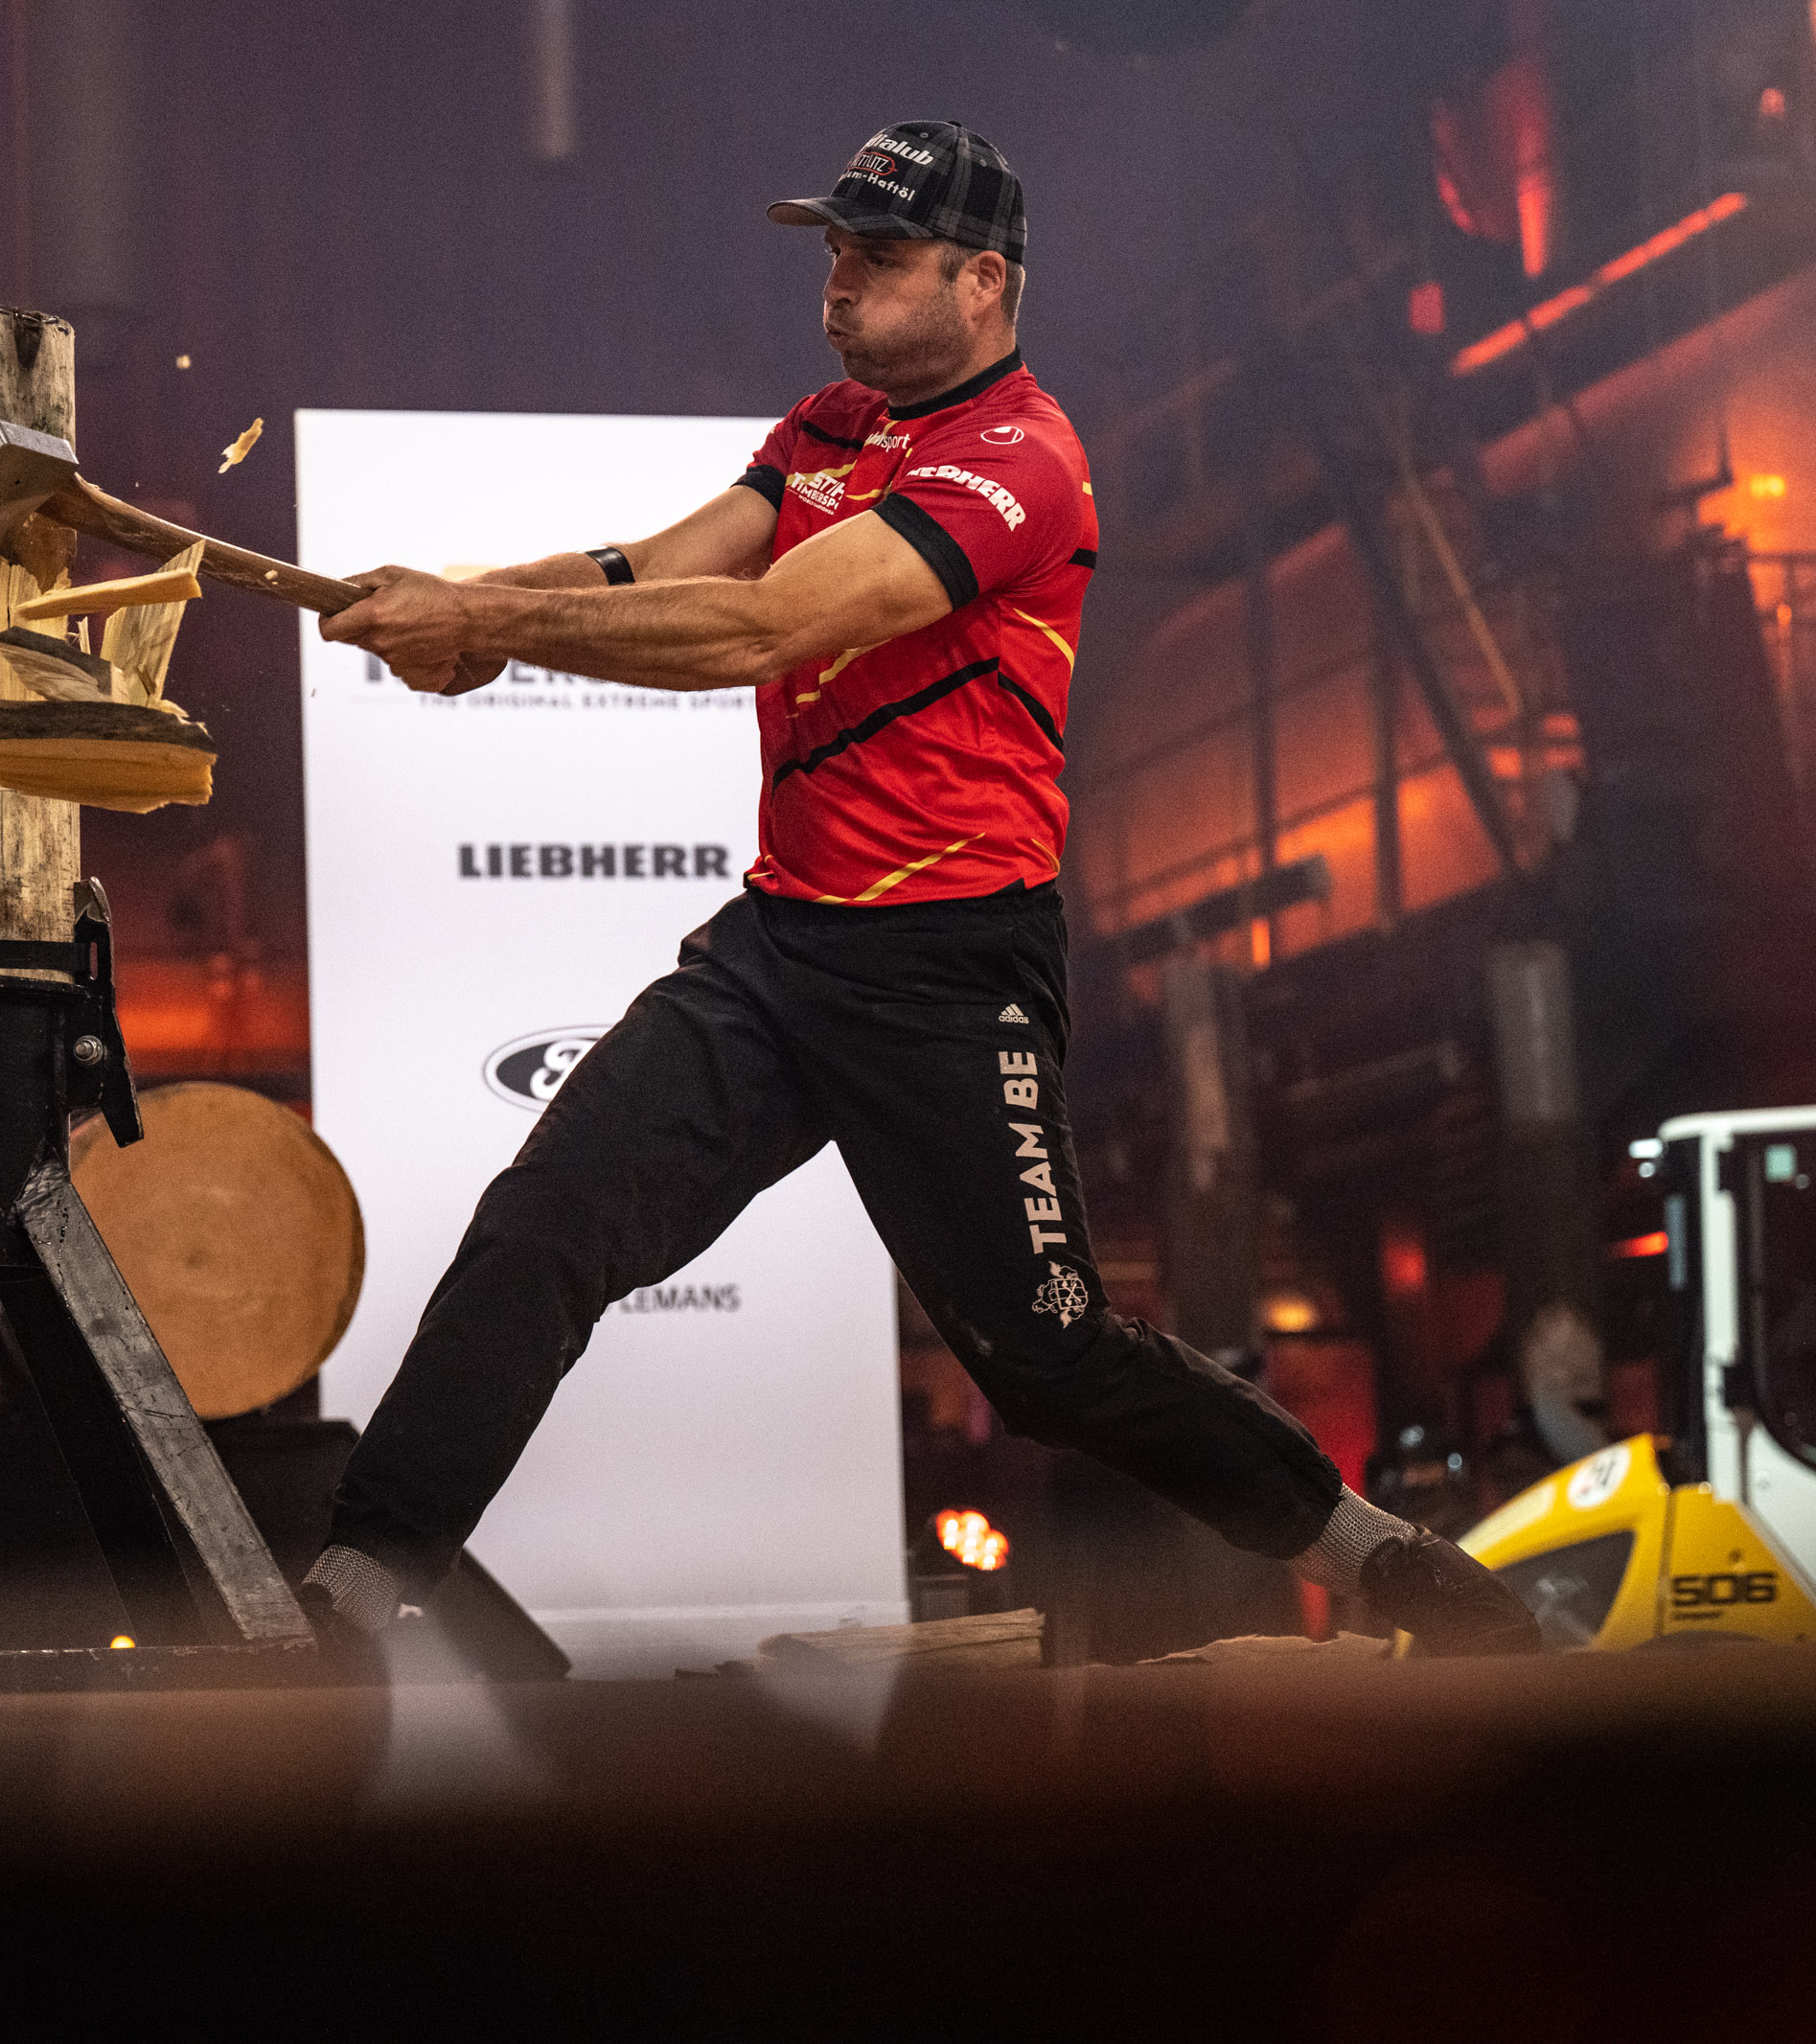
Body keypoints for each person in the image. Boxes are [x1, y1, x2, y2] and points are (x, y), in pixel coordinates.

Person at [303, 121, 1538, 1658]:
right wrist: (467, 603)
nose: (836, 288)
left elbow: (759, 629)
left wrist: (485, 633)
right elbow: (650, 567)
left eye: (876, 259)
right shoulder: (826, 426)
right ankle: (347, 1599)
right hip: (781, 946)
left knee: (1049, 1356)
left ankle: (1376, 1554)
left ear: (982, 281)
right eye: (832, 251)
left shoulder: (1024, 459)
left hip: (951, 968)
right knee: (546, 1221)